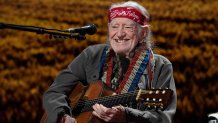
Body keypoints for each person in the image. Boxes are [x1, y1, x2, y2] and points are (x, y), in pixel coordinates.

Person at [43, 1, 177, 123]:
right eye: (114, 26)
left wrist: (127, 116)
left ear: (143, 32)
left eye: (128, 27)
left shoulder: (161, 66)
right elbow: (55, 92)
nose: (119, 34)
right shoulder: (91, 55)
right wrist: (62, 116)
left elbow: (164, 118)